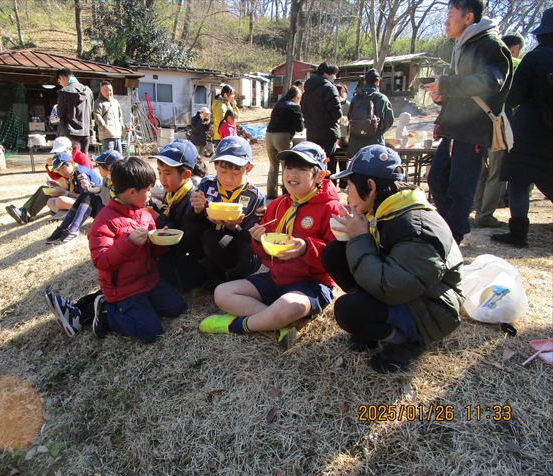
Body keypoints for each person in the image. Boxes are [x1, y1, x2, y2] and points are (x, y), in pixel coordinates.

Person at [321, 145, 464, 373]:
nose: (346, 193)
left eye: (349, 185)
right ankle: (375, 322)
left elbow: (393, 288)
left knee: (348, 311)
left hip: (433, 309)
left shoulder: (415, 226)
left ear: (370, 186)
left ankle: (407, 339)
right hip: (409, 290)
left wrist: (360, 237)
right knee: (335, 254)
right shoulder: (389, 209)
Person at [198, 142, 340, 349]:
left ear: (319, 176)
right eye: (289, 168)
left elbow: (336, 259)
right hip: (278, 277)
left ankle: (238, 325)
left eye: (302, 169)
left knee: (291, 305)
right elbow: (265, 255)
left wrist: (306, 248)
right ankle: (277, 323)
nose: (293, 173)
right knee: (222, 293)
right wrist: (258, 240)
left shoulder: (332, 209)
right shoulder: (278, 204)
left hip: (311, 284)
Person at [424, 0, 512, 244]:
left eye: (450, 14)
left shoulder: (490, 45)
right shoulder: (462, 45)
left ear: (468, 17)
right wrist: (442, 96)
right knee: (436, 179)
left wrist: (448, 86)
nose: (446, 20)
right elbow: (461, 89)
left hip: (472, 130)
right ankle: (454, 227)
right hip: (454, 128)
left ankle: (451, 237)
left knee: (460, 188)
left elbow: (492, 83)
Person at [88, 157, 186, 341]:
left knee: (177, 307)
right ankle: (108, 314)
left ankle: (143, 308)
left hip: (149, 281)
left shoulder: (144, 216)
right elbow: (101, 261)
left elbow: (153, 254)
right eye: (148, 190)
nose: (150, 194)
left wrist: (158, 240)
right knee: (151, 332)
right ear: (132, 192)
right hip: (124, 290)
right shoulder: (104, 222)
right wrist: (129, 242)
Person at [491, 9, 553, 248]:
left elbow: (514, 97)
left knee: (518, 181)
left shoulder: (535, 58)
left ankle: (518, 233)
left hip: (530, 130)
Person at [186, 136, 265, 290]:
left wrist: (234, 227)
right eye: (223, 171)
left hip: (240, 247)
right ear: (215, 166)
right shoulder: (206, 185)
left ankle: (234, 277)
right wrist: (197, 209)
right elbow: (192, 222)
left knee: (236, 247)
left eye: (236, 173)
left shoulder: (255, 197)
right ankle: (214, 274)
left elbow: (252, 241)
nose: (228, 179)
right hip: (214, 241)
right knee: (197, 232)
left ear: (249, 168)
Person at [472, 33, 525, 228]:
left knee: (482, 170)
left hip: (479, 123)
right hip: (498, 124)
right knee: (497, 172)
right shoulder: (515, 64)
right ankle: (485, 215)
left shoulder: (483, 63)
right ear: (515, 48)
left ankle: (477, 208)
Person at [148, 140, 208, 292]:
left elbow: (184, 235)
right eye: (159, 172)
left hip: (191, 261)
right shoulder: (172, 193)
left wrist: (157, 217)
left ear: (186, 174)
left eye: (167, 173)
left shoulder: (192, 199)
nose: (162, 178)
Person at [46, 149, 120, 245]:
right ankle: (64, 228)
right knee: (85, 195)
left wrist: (94, 190)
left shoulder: (119, 181)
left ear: (109, 167)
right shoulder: (107, 178)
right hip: (106, 210)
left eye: (99, 165)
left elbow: (112, 201)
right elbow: (105, 193)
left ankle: (71, 230)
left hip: (115, 217)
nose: (97, 168)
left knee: (85, 196)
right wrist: (94, 188)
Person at [5, 151, 101, 225]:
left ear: (71, 162)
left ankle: (70, 214)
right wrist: (58, 187)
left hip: (92, 204)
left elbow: (85, 197)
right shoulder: (71, 173)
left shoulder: (80, 174)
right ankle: (64, 214)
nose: (61, 172)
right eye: (58, 170)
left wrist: (65, 192)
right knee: (50, 200)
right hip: (80, 200)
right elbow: (72, 190)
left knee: (60, 200)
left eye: (63, 168)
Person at [301, 62, 343, 175]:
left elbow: (303, 110)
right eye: (333, 74)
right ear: (326, 74)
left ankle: (316, 189)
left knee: (315, 164)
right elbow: (337, 113)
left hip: (312, 134)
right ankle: (328, 189)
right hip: (328, 134)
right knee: (329, 164)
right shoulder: (329, 88)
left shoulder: (307, 92)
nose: (335, 77)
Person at [265, 85, 304, 199]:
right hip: (282, 136)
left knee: (273, 166)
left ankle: (271, 193)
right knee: (285, 166)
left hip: (268, 135)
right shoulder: (294, 107)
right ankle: (286, 193)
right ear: (296, 97)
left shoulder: (278, 105)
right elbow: (300, 128)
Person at [347, 68, 394, 157]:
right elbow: (389, 121)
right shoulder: (381, 98)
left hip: (355, 145)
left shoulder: (356, 98)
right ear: (377, 81)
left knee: (357, 169)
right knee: (373, 169)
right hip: (374, 144)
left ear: (365, 81)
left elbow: (349, 117)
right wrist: (377, 131)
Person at [55, 67, 94, 154]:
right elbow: (91, 109)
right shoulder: (88, 91)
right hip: (85, 132)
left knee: (68, 161)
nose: (60, 84)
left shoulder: (64, 92)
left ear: (62, 77)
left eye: (59, 81)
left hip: (68, 132)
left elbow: (60, 113)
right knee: (83, 161)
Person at [94, 81, 125, 154]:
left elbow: (120, 116)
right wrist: (104, 127)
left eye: (110, 90)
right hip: (107, 135)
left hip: (117, 135)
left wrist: (122, 126)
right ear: (101, 91)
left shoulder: (115, 102)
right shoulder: (98, 102)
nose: (108, 92)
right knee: (109, 158)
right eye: (105, 91)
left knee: (119, 158)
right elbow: (97, 116)